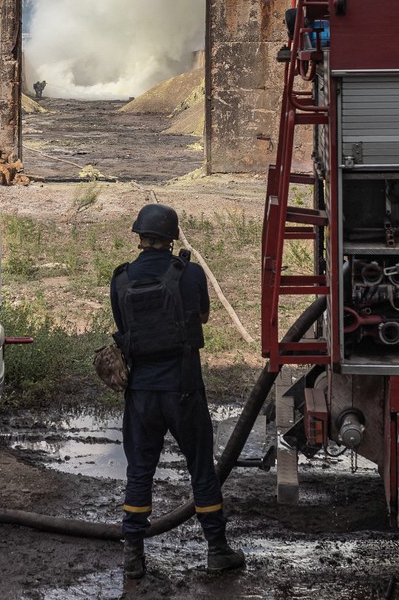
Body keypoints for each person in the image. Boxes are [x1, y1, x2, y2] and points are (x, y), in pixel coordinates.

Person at [110, 203, 246, 580]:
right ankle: (217, 551)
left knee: (140, 471)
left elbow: (123, 327)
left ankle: (133, 558)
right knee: (202, 471)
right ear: (172, 238)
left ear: (139, 235)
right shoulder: (191, 274)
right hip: (184, 388)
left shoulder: (120, 279)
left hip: (141, 392)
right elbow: (202, 316)